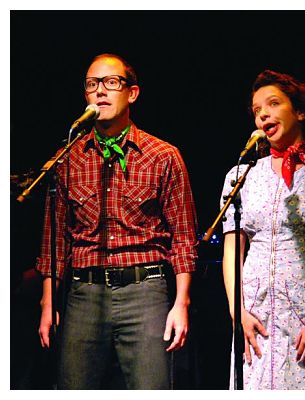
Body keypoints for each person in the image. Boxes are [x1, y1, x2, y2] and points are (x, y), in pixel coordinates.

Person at [35, 53, 198, 389]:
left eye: (111, 83)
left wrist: (181, 302)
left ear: (132, 93)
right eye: (92, 84)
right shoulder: (68, 158)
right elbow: (55, 240)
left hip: (145, 292)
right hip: (83, 294)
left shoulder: (163, 156)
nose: (100, 92)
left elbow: (183, 237)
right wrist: (48, 302)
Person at [221, 70, 305, 390]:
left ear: (299, 111)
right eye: (257, 110)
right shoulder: (241, 176)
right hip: (254, 315)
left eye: (273, 103)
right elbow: (231, 250)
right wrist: (237, 313)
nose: (263, 113)